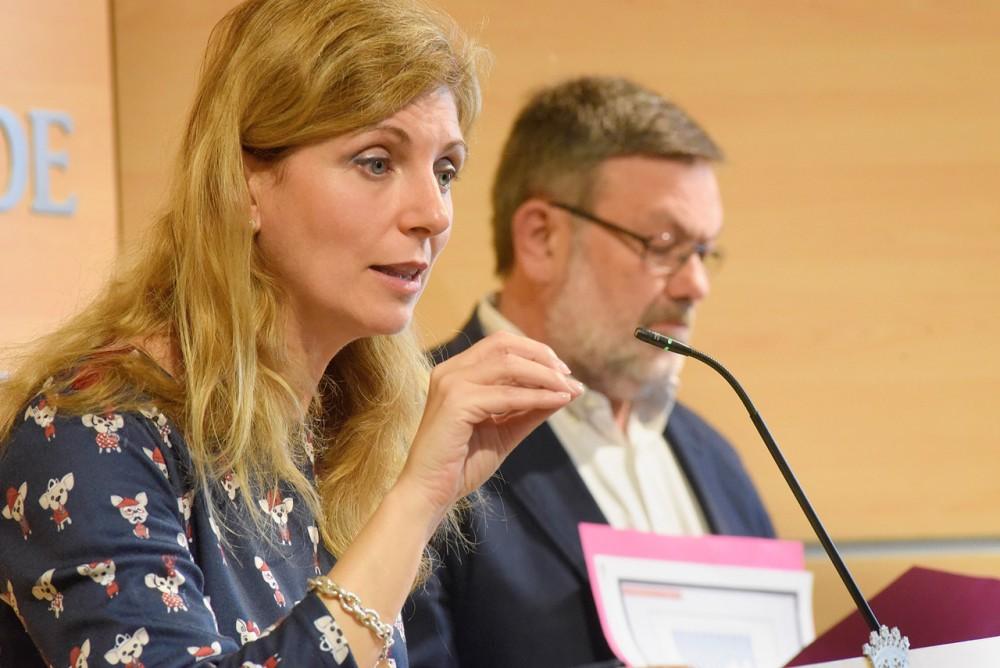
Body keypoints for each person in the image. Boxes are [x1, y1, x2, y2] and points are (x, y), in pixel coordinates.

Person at [0, 1, 583, 666]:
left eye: (444, 170)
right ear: (246, 182)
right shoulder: (88, 429)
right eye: (376, 162)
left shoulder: (343, 430)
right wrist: (418, 499)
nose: (433, 212)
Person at [405, 76, 775, 668]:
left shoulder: (717, 460)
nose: (695, 285)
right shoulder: (408, 423)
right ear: (541, 238)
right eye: (663, 243)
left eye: (703, 252)